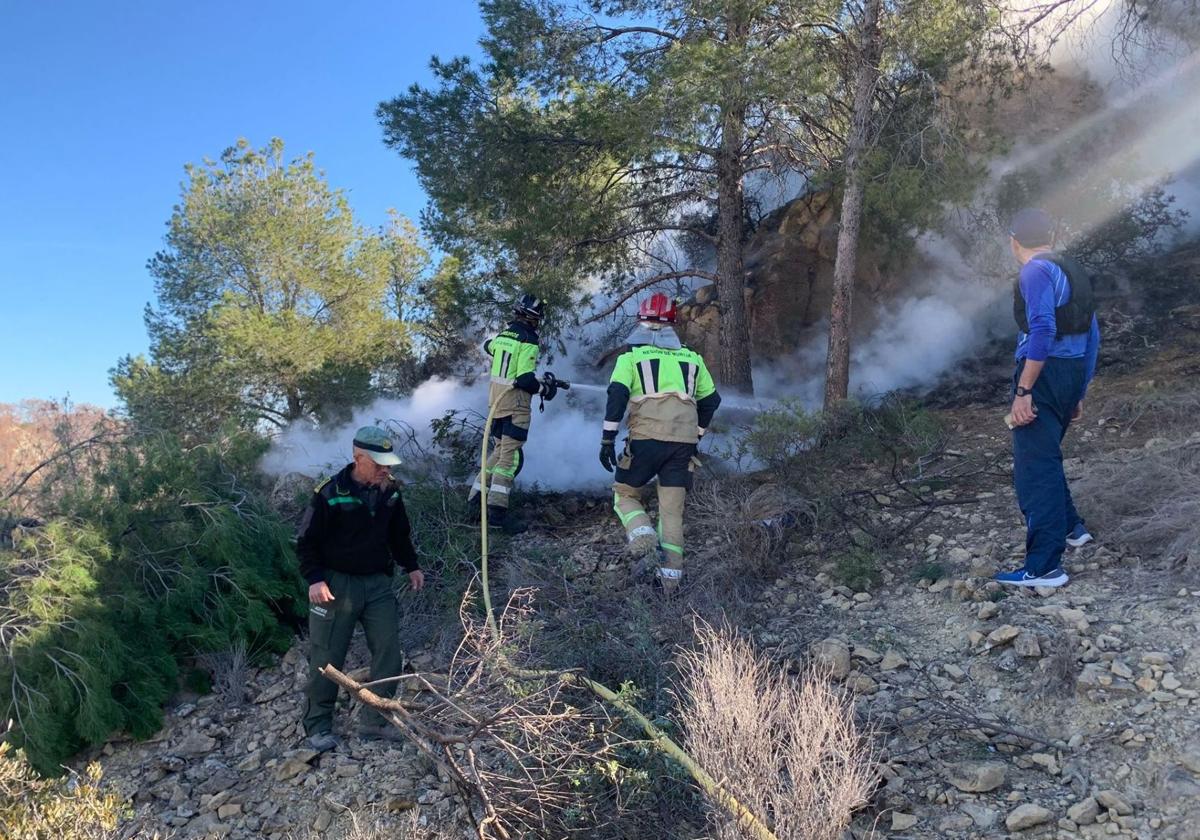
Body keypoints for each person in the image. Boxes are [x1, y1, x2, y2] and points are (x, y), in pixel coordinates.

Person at [297, 426, 425, 752]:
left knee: (388, 651)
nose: (386, 469)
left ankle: (376, 723)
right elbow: (306, 541)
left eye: (388, 464)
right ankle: (317, 726)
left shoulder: (391, 491)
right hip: (335, 585)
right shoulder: (329, 492)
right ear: (358, 457)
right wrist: (315, 579)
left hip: (377, 583)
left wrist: (411, 566)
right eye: (379, 463)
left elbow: (399, 535)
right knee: (327, 657)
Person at [997, 208, 1100, 588]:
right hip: (1070, 375)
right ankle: (1073, 528)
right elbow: (1093, 337)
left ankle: (1044, 567)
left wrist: (1024, 391)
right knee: (1046, 456)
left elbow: (1042, 328)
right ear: (1051, 238)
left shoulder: (1034, 272)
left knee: (1034, 470)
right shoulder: (1071, 270)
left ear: (1013, 242)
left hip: (1042, 376)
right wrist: (1080, 390)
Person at [598, 293, 721, 595]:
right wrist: (698, 435)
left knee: (625, 494)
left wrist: (607, 438)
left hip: (646, 439)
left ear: (641, 321)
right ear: (672, 324)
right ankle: (669, 584)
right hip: (683, 445)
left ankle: (642, 536)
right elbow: (712, 400)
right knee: (671, 511)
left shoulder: (630, 357)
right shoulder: (692, 358)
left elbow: (616, 396)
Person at [469, 293, 560, 530]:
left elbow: (488, 347)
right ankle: (497, 518)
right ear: (534, 317)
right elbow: (524, 379)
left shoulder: (504, 336)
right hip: (516, 405)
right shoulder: (529, 339)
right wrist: (544, 389)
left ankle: (474, 504)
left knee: (497, 454)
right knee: (509, 459)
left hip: (496, 404)